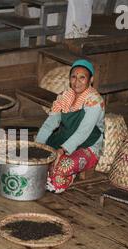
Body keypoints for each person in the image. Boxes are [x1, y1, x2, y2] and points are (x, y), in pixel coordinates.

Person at [35, 59, 105, 193]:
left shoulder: (95, 101)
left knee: (60, 168)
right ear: (69, 78)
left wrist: (62, 151)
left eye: (82, 77)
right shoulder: (64, 97)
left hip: (88, 145)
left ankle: (68, 176)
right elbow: (49, 125)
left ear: (91, 79)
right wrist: (38, 146)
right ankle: (55, 172)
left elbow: (83, 133)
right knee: (38, 160)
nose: (77, 81)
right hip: (64, 138)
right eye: (73, 77)